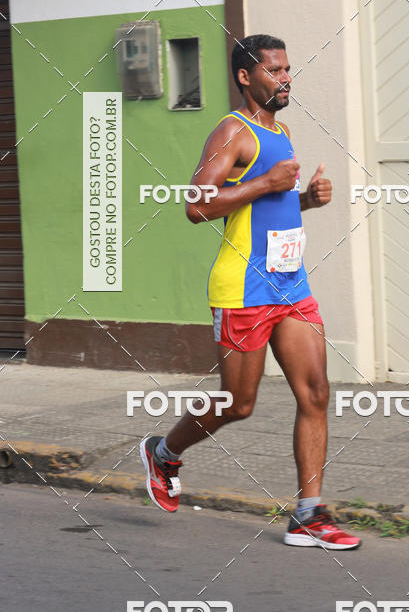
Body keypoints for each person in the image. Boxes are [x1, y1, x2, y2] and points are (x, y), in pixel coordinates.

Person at [140, 34, 360, 550]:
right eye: (275, 71)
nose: (285, 78)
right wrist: (266, 183)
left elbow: (262, 211)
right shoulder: (233, 131)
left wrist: (305, 199)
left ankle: (309, 514)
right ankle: (165, 452)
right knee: (239, 404)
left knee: (317, 393)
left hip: (290, 285)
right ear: (246, 77)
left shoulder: (279, 132)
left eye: (288, 70)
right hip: (242, 289)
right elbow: (197, 204)